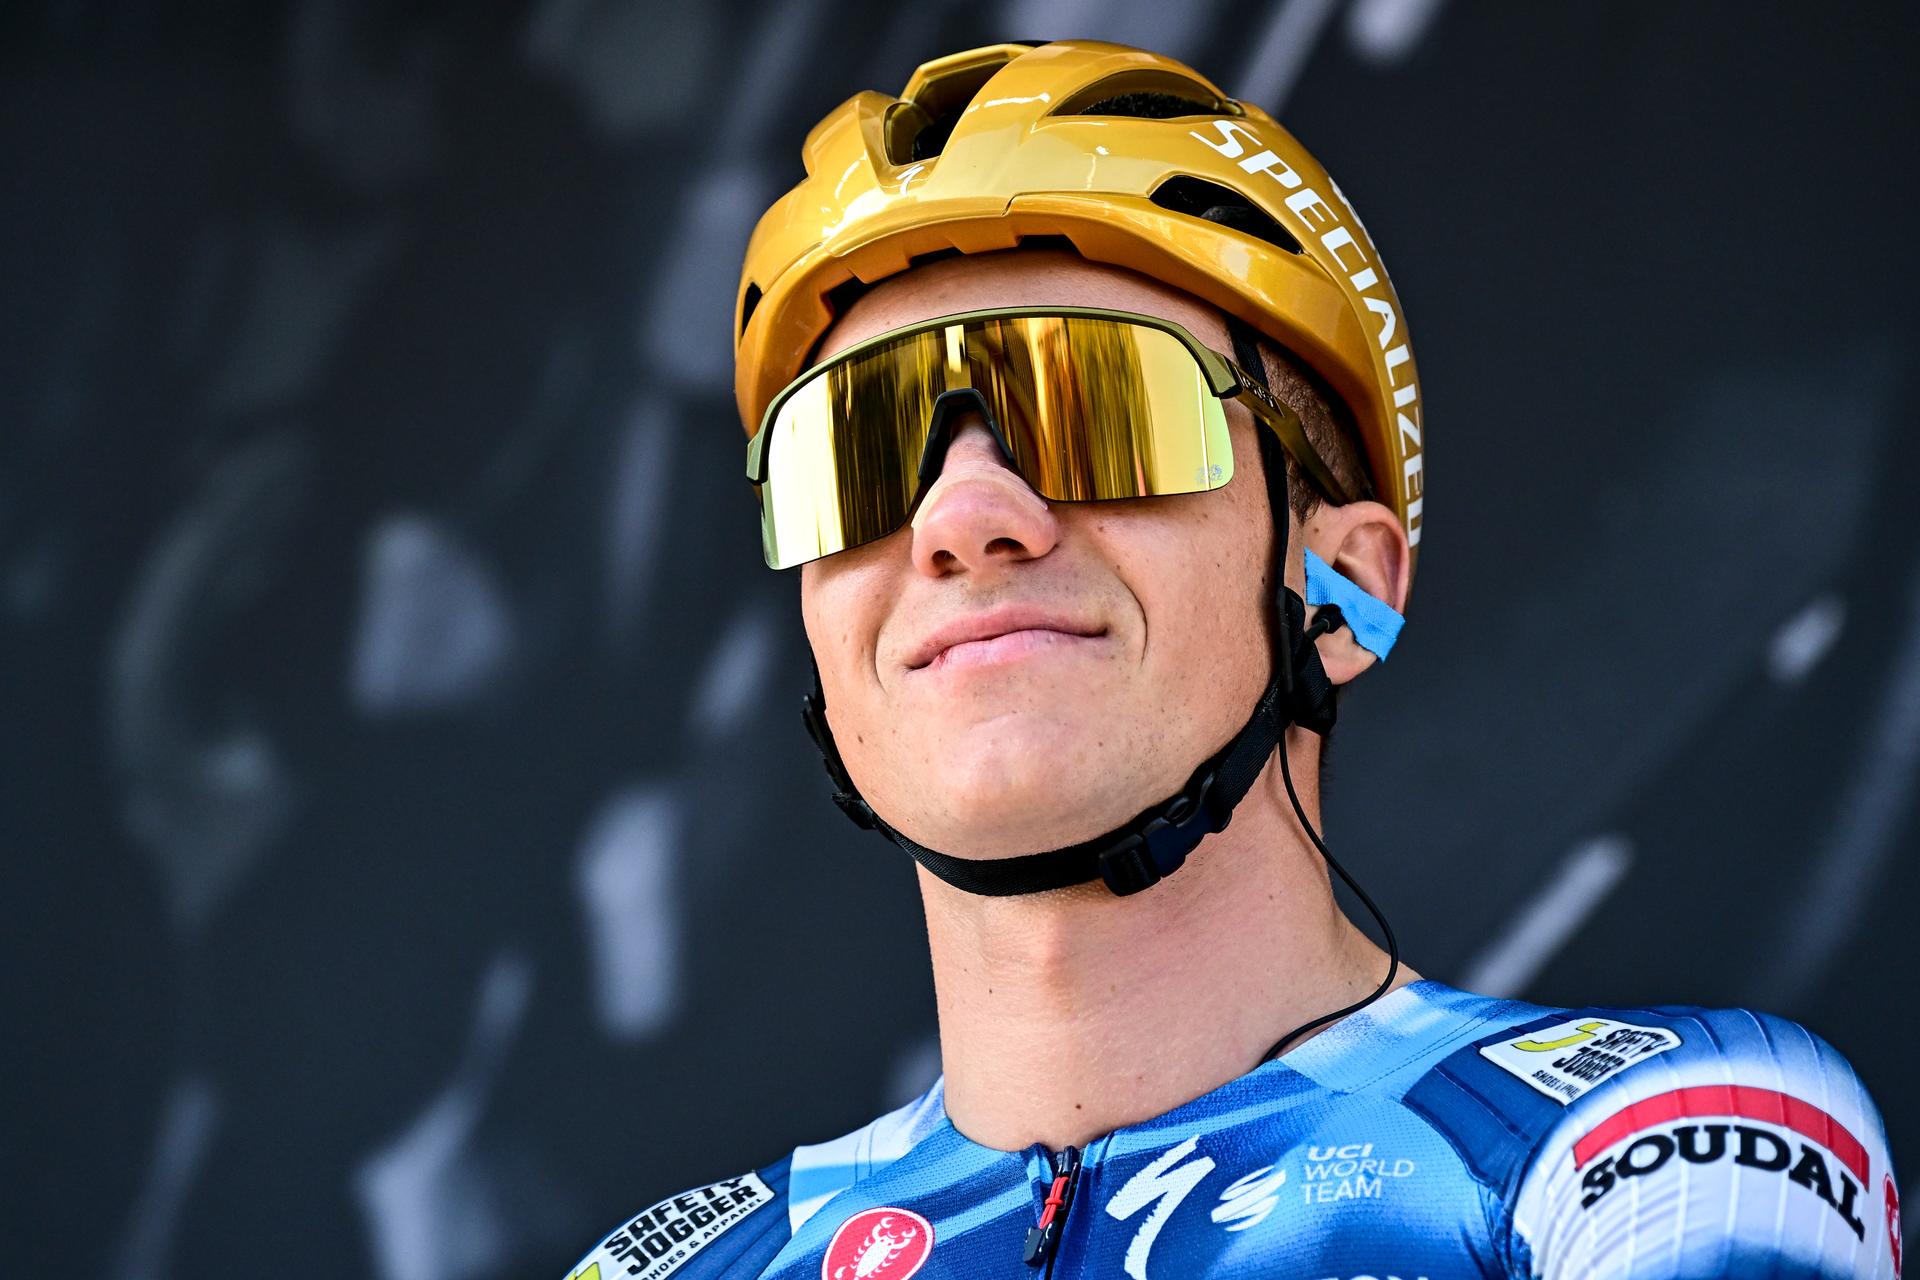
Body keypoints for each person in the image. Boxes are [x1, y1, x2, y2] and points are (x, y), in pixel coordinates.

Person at [563, 40, 1900, 1280]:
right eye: (853, 454)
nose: (958, 521)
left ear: (1342, 593)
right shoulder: (673, 1264)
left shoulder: (1645, 1138)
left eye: (1100, 409)